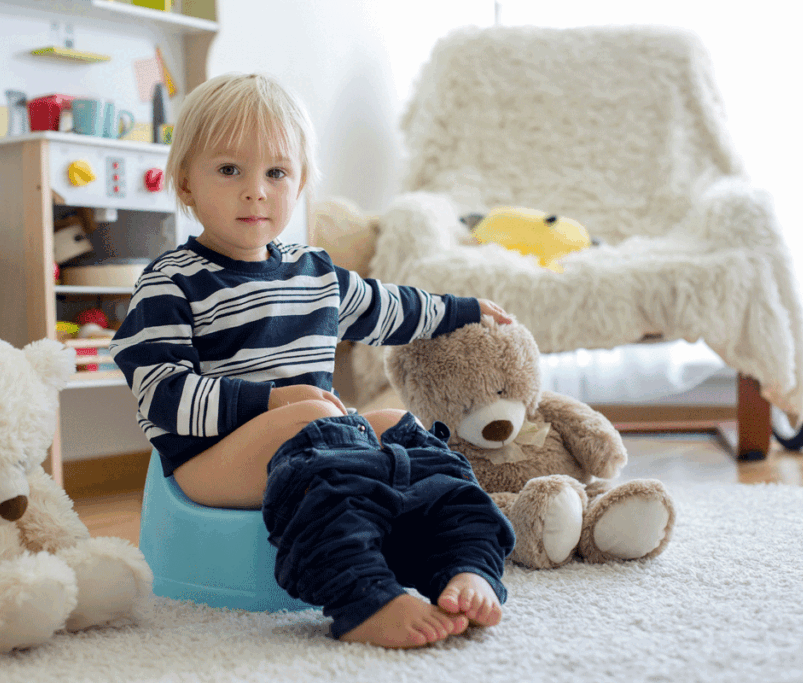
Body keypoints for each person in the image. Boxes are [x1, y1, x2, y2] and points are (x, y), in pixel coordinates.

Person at [110, 73, 515, 649]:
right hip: (211, 463)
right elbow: (162, 394)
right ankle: (363, 596)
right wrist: (272, 402)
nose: (256, 191)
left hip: (316, 440)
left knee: (405, 434)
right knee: (317, 426)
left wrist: (463, 310)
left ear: (299, 185)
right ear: (185, 183)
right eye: (230, 170)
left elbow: (389, 306)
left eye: (276, 173)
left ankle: (464, 562)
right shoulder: (170, 282)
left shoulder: (314, 273)